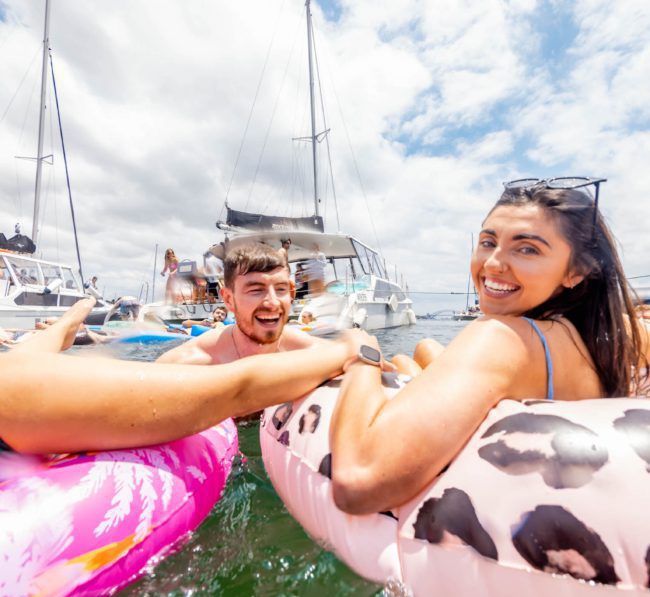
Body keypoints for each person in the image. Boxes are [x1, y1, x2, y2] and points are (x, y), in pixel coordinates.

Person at [327, 177, 650, 515]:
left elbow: (358, 481)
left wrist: (360, 355)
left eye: (527, 249)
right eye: (487, 242)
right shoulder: (617, 336)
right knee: (424, 349)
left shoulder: (502, 338)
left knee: (404, 357)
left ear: (577, 271)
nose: (493, 263)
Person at [0, 296, 375, 454]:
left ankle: (64, 325)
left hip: (18, 385)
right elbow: (236, 389)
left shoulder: (17, 382)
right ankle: (64, 325)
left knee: (24, 364)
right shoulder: (16, 389)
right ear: (230, 299)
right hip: (16, 391)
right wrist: (350, 348)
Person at [157, 243, 322, 365]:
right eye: (256, 290)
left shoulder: (313, 353)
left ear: (291, 293)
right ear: (228, 299)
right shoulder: (189, 363)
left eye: (281, 289)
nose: (272, 302)